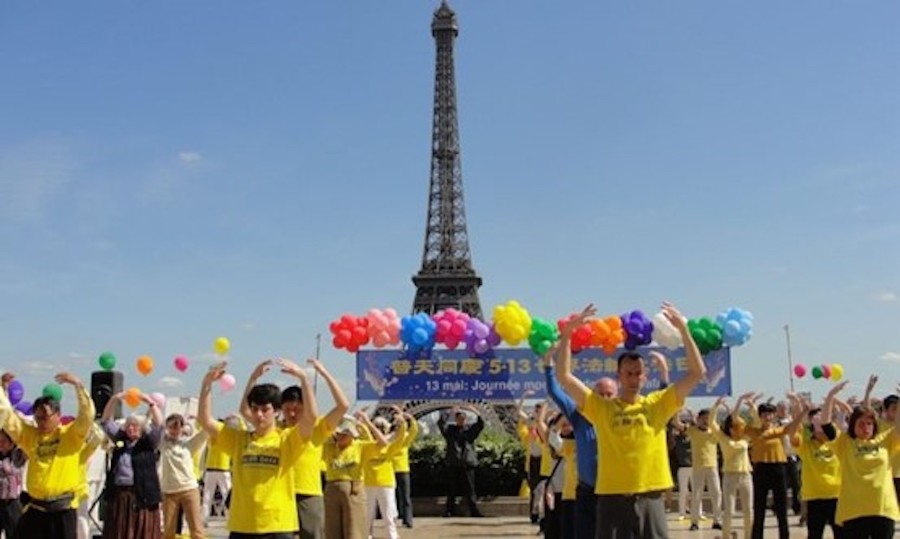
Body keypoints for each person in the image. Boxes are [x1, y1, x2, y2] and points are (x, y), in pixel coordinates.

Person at [556, 302, 706, 539]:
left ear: (645, 377)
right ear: (619, 376)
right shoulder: (601, 408)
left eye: (638, 373)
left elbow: (697, 373)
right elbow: (564, 376)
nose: (634, 378)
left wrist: (684, 331)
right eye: (628, 373)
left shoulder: (658, 404)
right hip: (611, 498)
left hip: (651, 496)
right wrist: (567, 335)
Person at [197, 359, 313, 538]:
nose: (259, 414)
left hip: (277, 525)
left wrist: (304, 379)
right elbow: (205, 420)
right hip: (242, 525)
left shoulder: (287, 439)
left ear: (276, 411)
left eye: (265, 409)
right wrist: (206, 384)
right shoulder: (238, 439)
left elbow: (311, 418)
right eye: (255, 409)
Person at [239, 358, 348, 539]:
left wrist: (323, 373)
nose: (292, 414)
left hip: (307, 493)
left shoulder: (318, 427)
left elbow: (342, 405)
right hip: (278, 496)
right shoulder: (273, 429)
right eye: (287, 409)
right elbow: (245, 410)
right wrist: (252, 379)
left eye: (297, 409)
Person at [0, 372, 94, 539]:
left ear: (58, 416)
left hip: (62, 510)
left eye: (45, 417)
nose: (41, 422)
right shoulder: (30, 436)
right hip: (36, 509)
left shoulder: (71, 435)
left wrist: (78, 386)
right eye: (38, 418)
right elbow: (7, 417)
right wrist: (2, 388)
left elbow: (86, 416)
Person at [546, 345, 616, 538]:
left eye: (610, 394)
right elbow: (555, 390)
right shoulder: (579, 416)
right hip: (586, 492)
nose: (605, 398)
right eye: (601, 393)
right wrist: (548, 365)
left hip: (613, 492)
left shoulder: (621, 417)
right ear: (592, 395)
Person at [824, 378, 899, 538]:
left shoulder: (885, 439)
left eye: (869, 423)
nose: (866, 427)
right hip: (854, 510)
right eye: (861, 424)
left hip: (882, 508)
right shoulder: (845, 442)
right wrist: (831, 396)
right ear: (853, 425)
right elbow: (826, 425)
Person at [101, 391, 163, 539]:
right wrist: (114, 399)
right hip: (120, 495)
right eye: (128, 426)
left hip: (143, 496)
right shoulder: (119, 439)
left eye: (135, 426)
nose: (131, 429)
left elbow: (159, 424)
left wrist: (150, 402)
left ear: (141, 428)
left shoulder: (149, 443)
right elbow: (105, 422)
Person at [783, 394, 842, 539]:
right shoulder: (806, 445)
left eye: (823, 426)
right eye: (817, 427)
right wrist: (802, 411)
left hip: (837, 495)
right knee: (815, 534)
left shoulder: (837, 442)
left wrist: (832, 403)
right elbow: (791, 432)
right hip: (815, 498)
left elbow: (840, 421)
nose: (820, 430)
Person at [322, 415, 380, 539]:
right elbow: (316, 435)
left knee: (354, 530)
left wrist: (367, 424)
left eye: (345, 434)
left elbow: (383, 443)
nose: (340, 437)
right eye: (339, 433)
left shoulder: (360, 446)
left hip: (353, 489)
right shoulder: (329, 446)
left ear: (352, 435)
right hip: (332, 489)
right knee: (332, 531)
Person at [744, 394, 793, 539]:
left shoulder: (779, 429)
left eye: (770, 414)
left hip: (778, 468)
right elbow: (736, 422)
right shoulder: (755, 431)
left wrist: (798, 405)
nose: (767, 417)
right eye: (764, 414)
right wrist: (741, 402)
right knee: (759, 508)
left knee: (781, 508)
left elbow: (793, 425)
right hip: (761, 469)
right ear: (759, 416)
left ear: (774, 415)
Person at [359, 408, 408, 539]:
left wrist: (402, 421)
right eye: (376, 427)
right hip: (368, 483)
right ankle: (367, 536)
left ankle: (392, 536)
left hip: (386, 483)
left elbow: (400, 435)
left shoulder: (390, 446)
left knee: (388, 514)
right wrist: (362, 419)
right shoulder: (368, 444)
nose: (378, 430)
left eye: (381, 427)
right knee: (367, 514)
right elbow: (361, 431)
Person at [709, 396, 753, 539]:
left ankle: (749, 536)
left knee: (748, 510)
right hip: (729, 476)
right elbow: (711, 423)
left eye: (738, 427)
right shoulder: (723, 438)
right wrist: (716, 406)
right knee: (730, 511)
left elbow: (757, 424)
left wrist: (752, 406)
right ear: (728, 428)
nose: (736, 429)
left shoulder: (745, 438)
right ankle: (726, 536)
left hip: (746, 475)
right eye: (733, 427)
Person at [159, 413, 207, 539]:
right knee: (168, 531)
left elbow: (206, 432)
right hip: (169, 491)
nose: (175, 429)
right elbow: (153, 429)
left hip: (189, 489)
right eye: (172, 426)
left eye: (178, 426)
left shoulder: (189, 444)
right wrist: (166, 423)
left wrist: (197, 418)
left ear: (183, 428)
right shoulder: (163, 443)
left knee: (196, 529)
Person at [438, 403, 485, 518]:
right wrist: (450, 412)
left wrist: (476, 411)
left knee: (470, 489)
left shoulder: (470, 430)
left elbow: (481, 424)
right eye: (459, 419)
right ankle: (450, 510)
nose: (461, 421)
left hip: (467, 463)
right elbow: (440, 423)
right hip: (454, 462)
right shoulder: (450, 430)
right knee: (451, 489)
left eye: (463, 419)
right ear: (455, 419)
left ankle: (473, 510)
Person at [682, 408, 722, 531]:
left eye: (708, 418)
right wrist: (677, 413)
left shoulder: (714, 432)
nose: (706, 421)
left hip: (712, 466)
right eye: (703, 418)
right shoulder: (692, 431)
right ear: (698, 419)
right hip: (698, 467)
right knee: (696, 495)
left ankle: (717, 520)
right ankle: (694, 522)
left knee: (716, 493)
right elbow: (678, 425)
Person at [390, 407, 419, 529]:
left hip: (402, 469)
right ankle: (393, 518)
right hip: (390, 470)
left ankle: (407, 520)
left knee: (405, 496)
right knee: (392, 497)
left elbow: (414, 430)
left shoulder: (405, 439)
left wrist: (408, 418)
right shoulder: (389, 438)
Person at [0, 429, 26, 538]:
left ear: (12, 442)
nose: (1, 444)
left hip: (13, 503)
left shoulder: (18, 455)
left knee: (14, 534)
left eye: (4, 441)